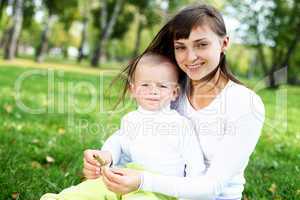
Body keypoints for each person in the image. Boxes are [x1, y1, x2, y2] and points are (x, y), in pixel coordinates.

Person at [83, 4, 265, 200]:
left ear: (224, 43)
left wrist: (143, 181)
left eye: (201, 44)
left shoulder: (245, 104)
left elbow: (212, 186)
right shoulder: (170, 88)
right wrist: (107, 156)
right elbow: (134, 129)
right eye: (180, 47)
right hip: (149, 191)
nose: (190, 57)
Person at [40, 53, 206, 200]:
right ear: (133, 90)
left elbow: (195, 167)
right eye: (145, 85)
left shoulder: (181, 125)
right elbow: (118, 142)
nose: (153, 91)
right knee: (86, 190)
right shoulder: (130, 119)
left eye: (162, 86)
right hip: (123, 177)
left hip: (157, 190)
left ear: (174, 92)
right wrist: (107, 155)